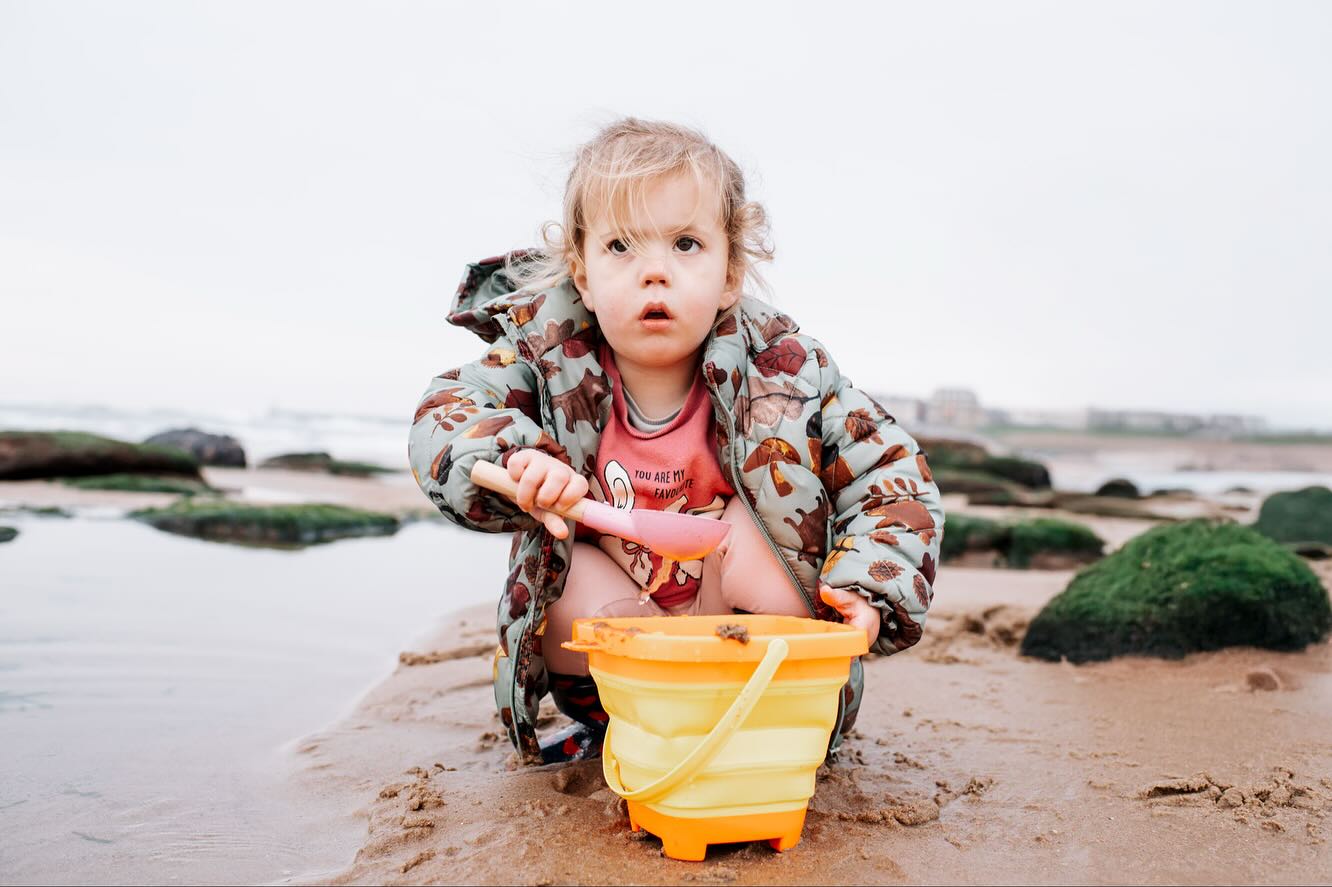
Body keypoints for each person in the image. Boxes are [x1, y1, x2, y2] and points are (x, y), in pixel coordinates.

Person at [407, 117, 945, 765]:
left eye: (686, 244)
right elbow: (448, 408)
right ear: (581, 274)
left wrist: (870, 587)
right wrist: (510, 455)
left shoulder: (788, 373)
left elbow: (892, 474)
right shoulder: (545, 364)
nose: (655, 272)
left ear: (730, 274)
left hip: (750, 649)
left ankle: (762, 720)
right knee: (562, 563)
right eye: (621, 247)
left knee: (757, 527)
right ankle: (635, 719)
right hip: (618, 660)